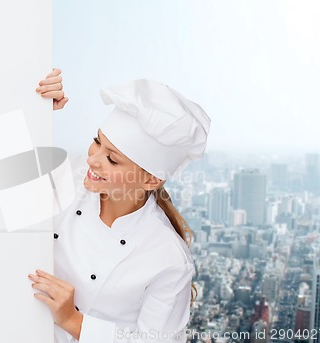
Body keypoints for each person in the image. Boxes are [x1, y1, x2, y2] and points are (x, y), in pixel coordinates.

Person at [28, 68, 210, 342]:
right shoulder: (70, 175)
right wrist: (37, 110)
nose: (92, 160)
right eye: (96, 142)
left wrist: (73, 320)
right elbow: (5, 181)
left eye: (112, 159)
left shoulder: (168, 258)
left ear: (150, 179)